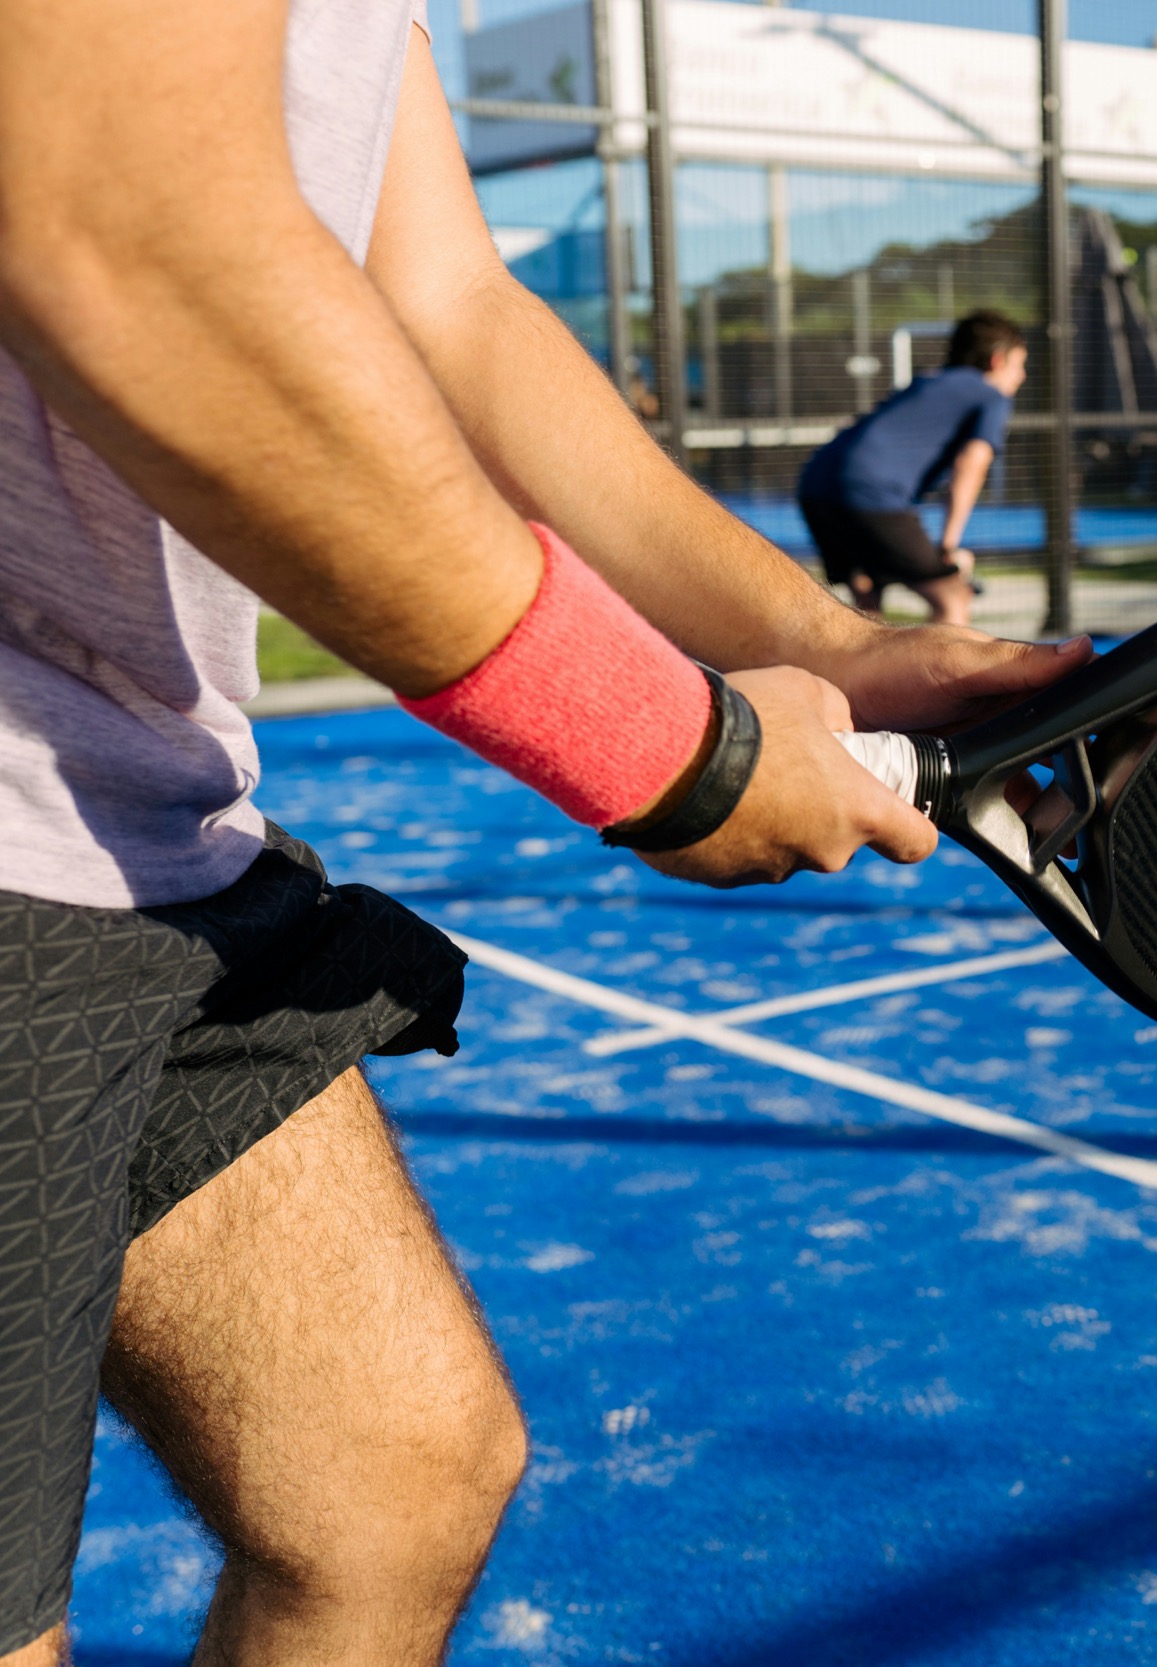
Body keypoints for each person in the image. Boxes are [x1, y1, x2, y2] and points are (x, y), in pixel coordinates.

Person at [0, 4, 1086, 1659]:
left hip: (136, 821)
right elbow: (116, 221)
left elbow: (451, 310)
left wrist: (833, 650)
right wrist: (670, 748)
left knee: (389, 1480)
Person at [798, 312, 1026, 626]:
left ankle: (864, 675)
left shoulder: (928, 380)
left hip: (815, 484)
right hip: (869, 491)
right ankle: (951, 677)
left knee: (866, 598)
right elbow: (973, 462)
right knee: (953, 596)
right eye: (1020, 365)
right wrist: (949, 546)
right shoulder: (990, 394)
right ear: (998, 361)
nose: (1022, 376)